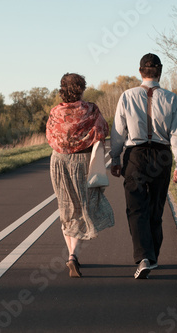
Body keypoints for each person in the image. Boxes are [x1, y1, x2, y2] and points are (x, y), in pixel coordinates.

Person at [110, 53, 177, 279]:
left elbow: (117, 132)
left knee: (136, 208)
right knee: (156, 208)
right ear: (159, 71)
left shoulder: (127, 96)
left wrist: (115, 159)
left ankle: (144, 257)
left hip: (136, 155)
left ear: (140, 71)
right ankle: (152, 257)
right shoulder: (171, 98)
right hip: (162, 155)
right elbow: (176, 133)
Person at [46, 73, 115, 278]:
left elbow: (50, 136)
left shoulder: (55, 112)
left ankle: (71, 254)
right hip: (82, 162)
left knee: (66, 206)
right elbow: (103, 131)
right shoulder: (91, 110)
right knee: (83, 205)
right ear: (81, 89)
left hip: (59, 161)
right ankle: (73, 255)